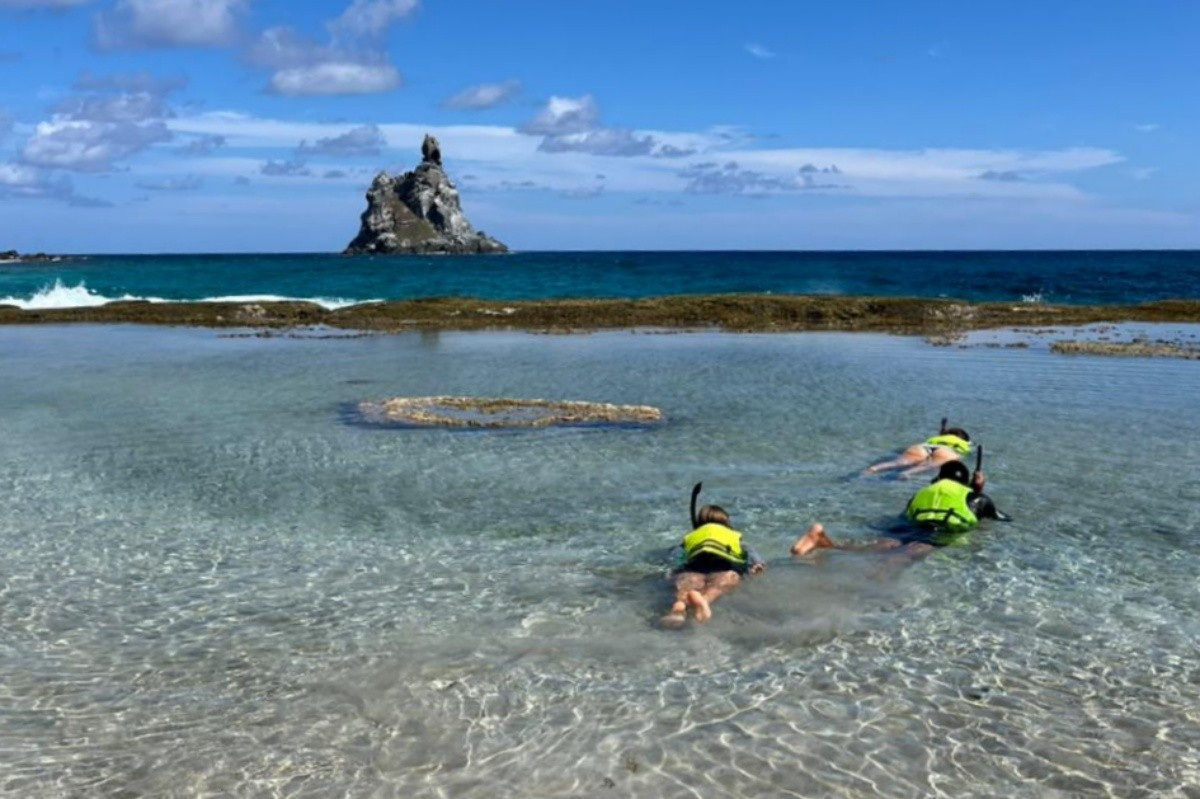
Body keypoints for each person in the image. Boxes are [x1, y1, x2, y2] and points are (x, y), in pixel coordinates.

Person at [793, 460, 1003, 559]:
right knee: (904, 557)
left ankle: (824, 542)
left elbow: (907, 516)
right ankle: (861, 590)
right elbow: (998, 518)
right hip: (939, 532)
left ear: (938, 478)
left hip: (909, 526)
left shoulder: (924, 492)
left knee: (882, 545)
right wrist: (979, 490)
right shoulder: (976, 497)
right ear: (965, 482)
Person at [662, 503, 766, 628]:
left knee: (686, 586)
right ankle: (705, 601)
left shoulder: (691, 537)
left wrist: (673, 572)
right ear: (726, 523)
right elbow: (750, 552)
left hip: (694, 568)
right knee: (723, 583)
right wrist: (756, 564)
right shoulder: (734, 537)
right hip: (723, 568)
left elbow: (674, 557)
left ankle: (678, 609)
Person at [862, 426, 972, 479]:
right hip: (947, 451)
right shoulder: (964, 444)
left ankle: (873, 469)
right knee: (928, 466)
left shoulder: (936, 438)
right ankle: (907, 473)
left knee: (897, 463)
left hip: (923, 447)